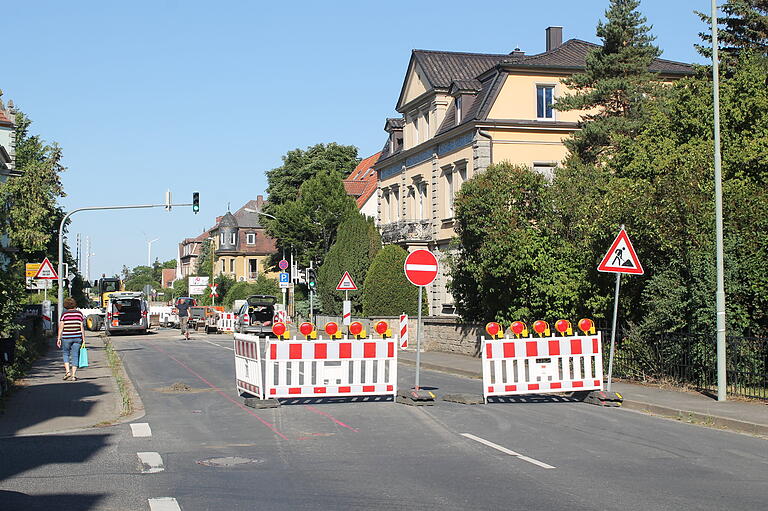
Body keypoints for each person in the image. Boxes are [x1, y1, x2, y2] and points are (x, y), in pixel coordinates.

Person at [57, 297, 85, 381]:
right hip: (77, 337)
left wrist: (58, 338)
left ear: (65, 305)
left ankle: (67, 371)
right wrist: (83, 339)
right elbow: (81, 327)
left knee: (66, 353)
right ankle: (73, 375)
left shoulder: (64, 314)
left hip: (66, 337)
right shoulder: (79, 314)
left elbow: (61, 327)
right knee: (75, 355)